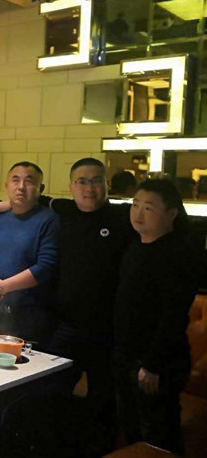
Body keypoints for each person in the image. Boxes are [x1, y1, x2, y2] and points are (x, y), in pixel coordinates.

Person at [0, 157, 135, 456]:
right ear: (71, 186)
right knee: (50, 395)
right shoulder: (63, 210)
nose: (89, 188)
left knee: (104, 404)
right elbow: (26, 196)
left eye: (96, 181)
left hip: (110, 331)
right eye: (82, 182)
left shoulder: (124, 217)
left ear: (106, 184)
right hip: (65, 325)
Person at [113, 178, 197, 455]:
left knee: (159, 436)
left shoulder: (177, 254)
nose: (138, 213)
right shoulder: (136, 247)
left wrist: (152, 364)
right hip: (127, 354)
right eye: (135, 204)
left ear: (171, 213)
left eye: (148, 208)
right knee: (133, 430)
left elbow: (174, 316)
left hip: (155, 362)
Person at [0, 162, 58, 344]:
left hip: (31, 313)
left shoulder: (48, 219)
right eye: (15, 180)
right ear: (7, 185)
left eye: (29, 181)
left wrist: (5, 286)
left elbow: (45, 267)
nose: (21, 187)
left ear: (41, 188)